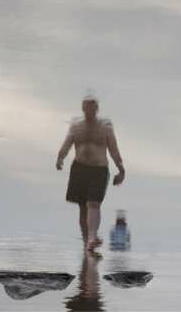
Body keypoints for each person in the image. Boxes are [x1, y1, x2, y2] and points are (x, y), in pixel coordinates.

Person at [56, 95, 125, 251]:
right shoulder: (76, 126)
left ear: (97, 108)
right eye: (86, 106)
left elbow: (113, 149)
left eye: (92, 106)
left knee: (93, 204)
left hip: (99, 169)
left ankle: (92, 237)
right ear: (83, 107)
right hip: (79, 168)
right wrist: (60, 158)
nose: (89, 109)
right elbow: (67, 143)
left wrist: (120, 169)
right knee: (83, 207)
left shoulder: (105, 126)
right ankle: (87, 240)